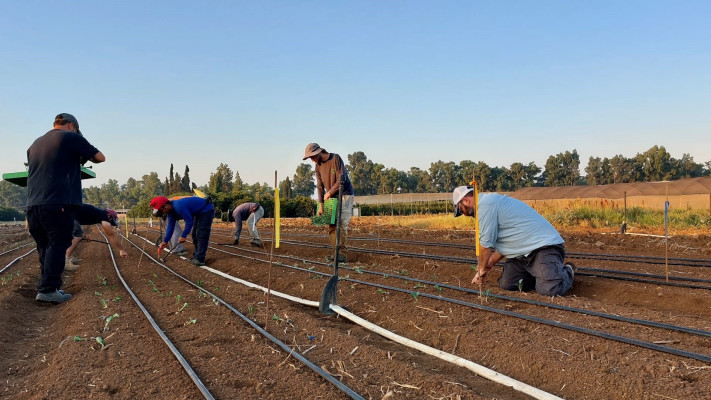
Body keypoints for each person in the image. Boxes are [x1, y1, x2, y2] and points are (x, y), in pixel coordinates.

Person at [26, 113, 105, 303]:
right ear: (71, 126)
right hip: (57, 203)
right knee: (59, 243)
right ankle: (48, 290)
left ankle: (47, 287)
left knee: (45, 246)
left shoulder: (35, 143)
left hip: (33, 205)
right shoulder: (70, 137)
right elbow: (100, 157)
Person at [452, 185, 574, 297]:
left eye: (461, 210)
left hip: (543, 247)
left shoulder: (485, 204)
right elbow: (507, 242)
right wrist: (489, 264)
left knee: (550, 290)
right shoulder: (488, 205)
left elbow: (485, 244)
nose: (465, 215)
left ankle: (568, 270)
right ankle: (542, 275)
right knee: (507, 284)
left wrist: (482, 269)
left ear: (465, 200)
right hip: (521, 254)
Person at [303, 143, 354, 262]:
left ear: (319, 152)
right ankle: (336, 252)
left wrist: (329, 193)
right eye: (310, 158)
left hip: (345, 194)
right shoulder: (318, 166)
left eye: (313, 157)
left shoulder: (335, 158)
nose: (312, 160)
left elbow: (342, 178)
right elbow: (320, 187)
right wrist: (321, 206)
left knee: (341, 223)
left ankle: (342, 254)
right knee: (331, 224)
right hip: (331, 197)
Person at [150, 195, 214, 266]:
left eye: (162, 210)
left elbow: (189, 222)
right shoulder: (170, 212)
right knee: (195, 235)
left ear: (165, 205)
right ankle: (197, 256)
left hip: (206, 209)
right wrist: (165, 241)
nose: (163, 213)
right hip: (198, 212)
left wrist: (183, 235)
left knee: (201, 234)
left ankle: (200, 259)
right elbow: (170, 226)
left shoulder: (179, 206)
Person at [63, 205, 129, 265]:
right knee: (77, 236)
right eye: (111, 221)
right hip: (68, 214)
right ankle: (65, 260)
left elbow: (81, 220)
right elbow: (110, 234)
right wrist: (121, 250)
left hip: (67, 213)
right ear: (109, 215)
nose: (110, 223)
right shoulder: (104, 215)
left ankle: (68, 257)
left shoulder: (96, 213)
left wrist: (84, 235)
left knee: (76, 235)